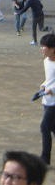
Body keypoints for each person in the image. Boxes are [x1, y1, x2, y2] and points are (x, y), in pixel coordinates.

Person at [37, 33, 55, 166]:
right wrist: (44, 85)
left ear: (53, 49)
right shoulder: (46, 61)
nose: (42, 49)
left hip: (54, 102)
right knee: (52, 127)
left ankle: (44, 159)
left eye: (44, 46)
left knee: (44, 127)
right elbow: (50, 79)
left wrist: (52, 90)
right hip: (47, 100)